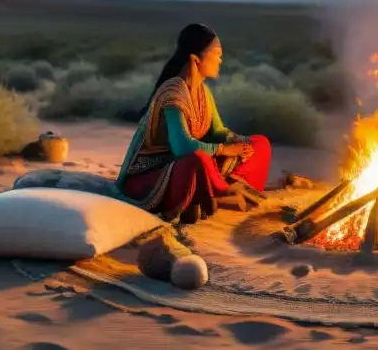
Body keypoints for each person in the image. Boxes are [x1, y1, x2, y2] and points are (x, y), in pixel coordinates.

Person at [115, 23, 272, 224]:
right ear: (195, 58)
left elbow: (217, 131)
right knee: (198, 159)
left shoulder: (202, 91)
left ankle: (214, 193)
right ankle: (223, 193)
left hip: (190, 165)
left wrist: (240, 143)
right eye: (216, 53)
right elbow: (183, 147)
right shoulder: (173, 91)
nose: (220, 59)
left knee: (260, 144)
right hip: (151, 176)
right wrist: (224, 150)